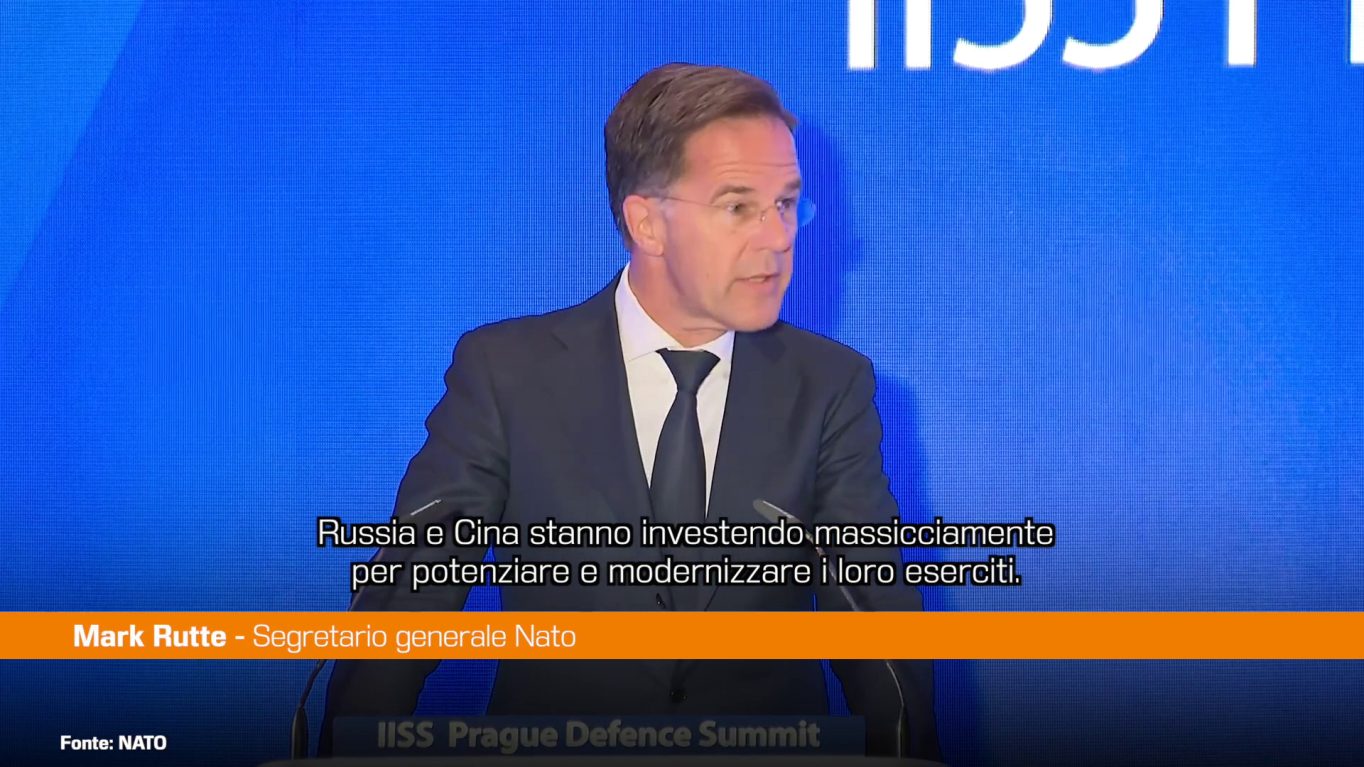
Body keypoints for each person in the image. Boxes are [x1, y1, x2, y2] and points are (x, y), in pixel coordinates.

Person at [319, 62, 940, 761]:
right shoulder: (507, 373)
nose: (778, 236)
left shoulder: (829, 385)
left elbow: (878, 624)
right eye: (739, 207)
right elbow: (411, 592)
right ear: (648, 222)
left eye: (787, 203)